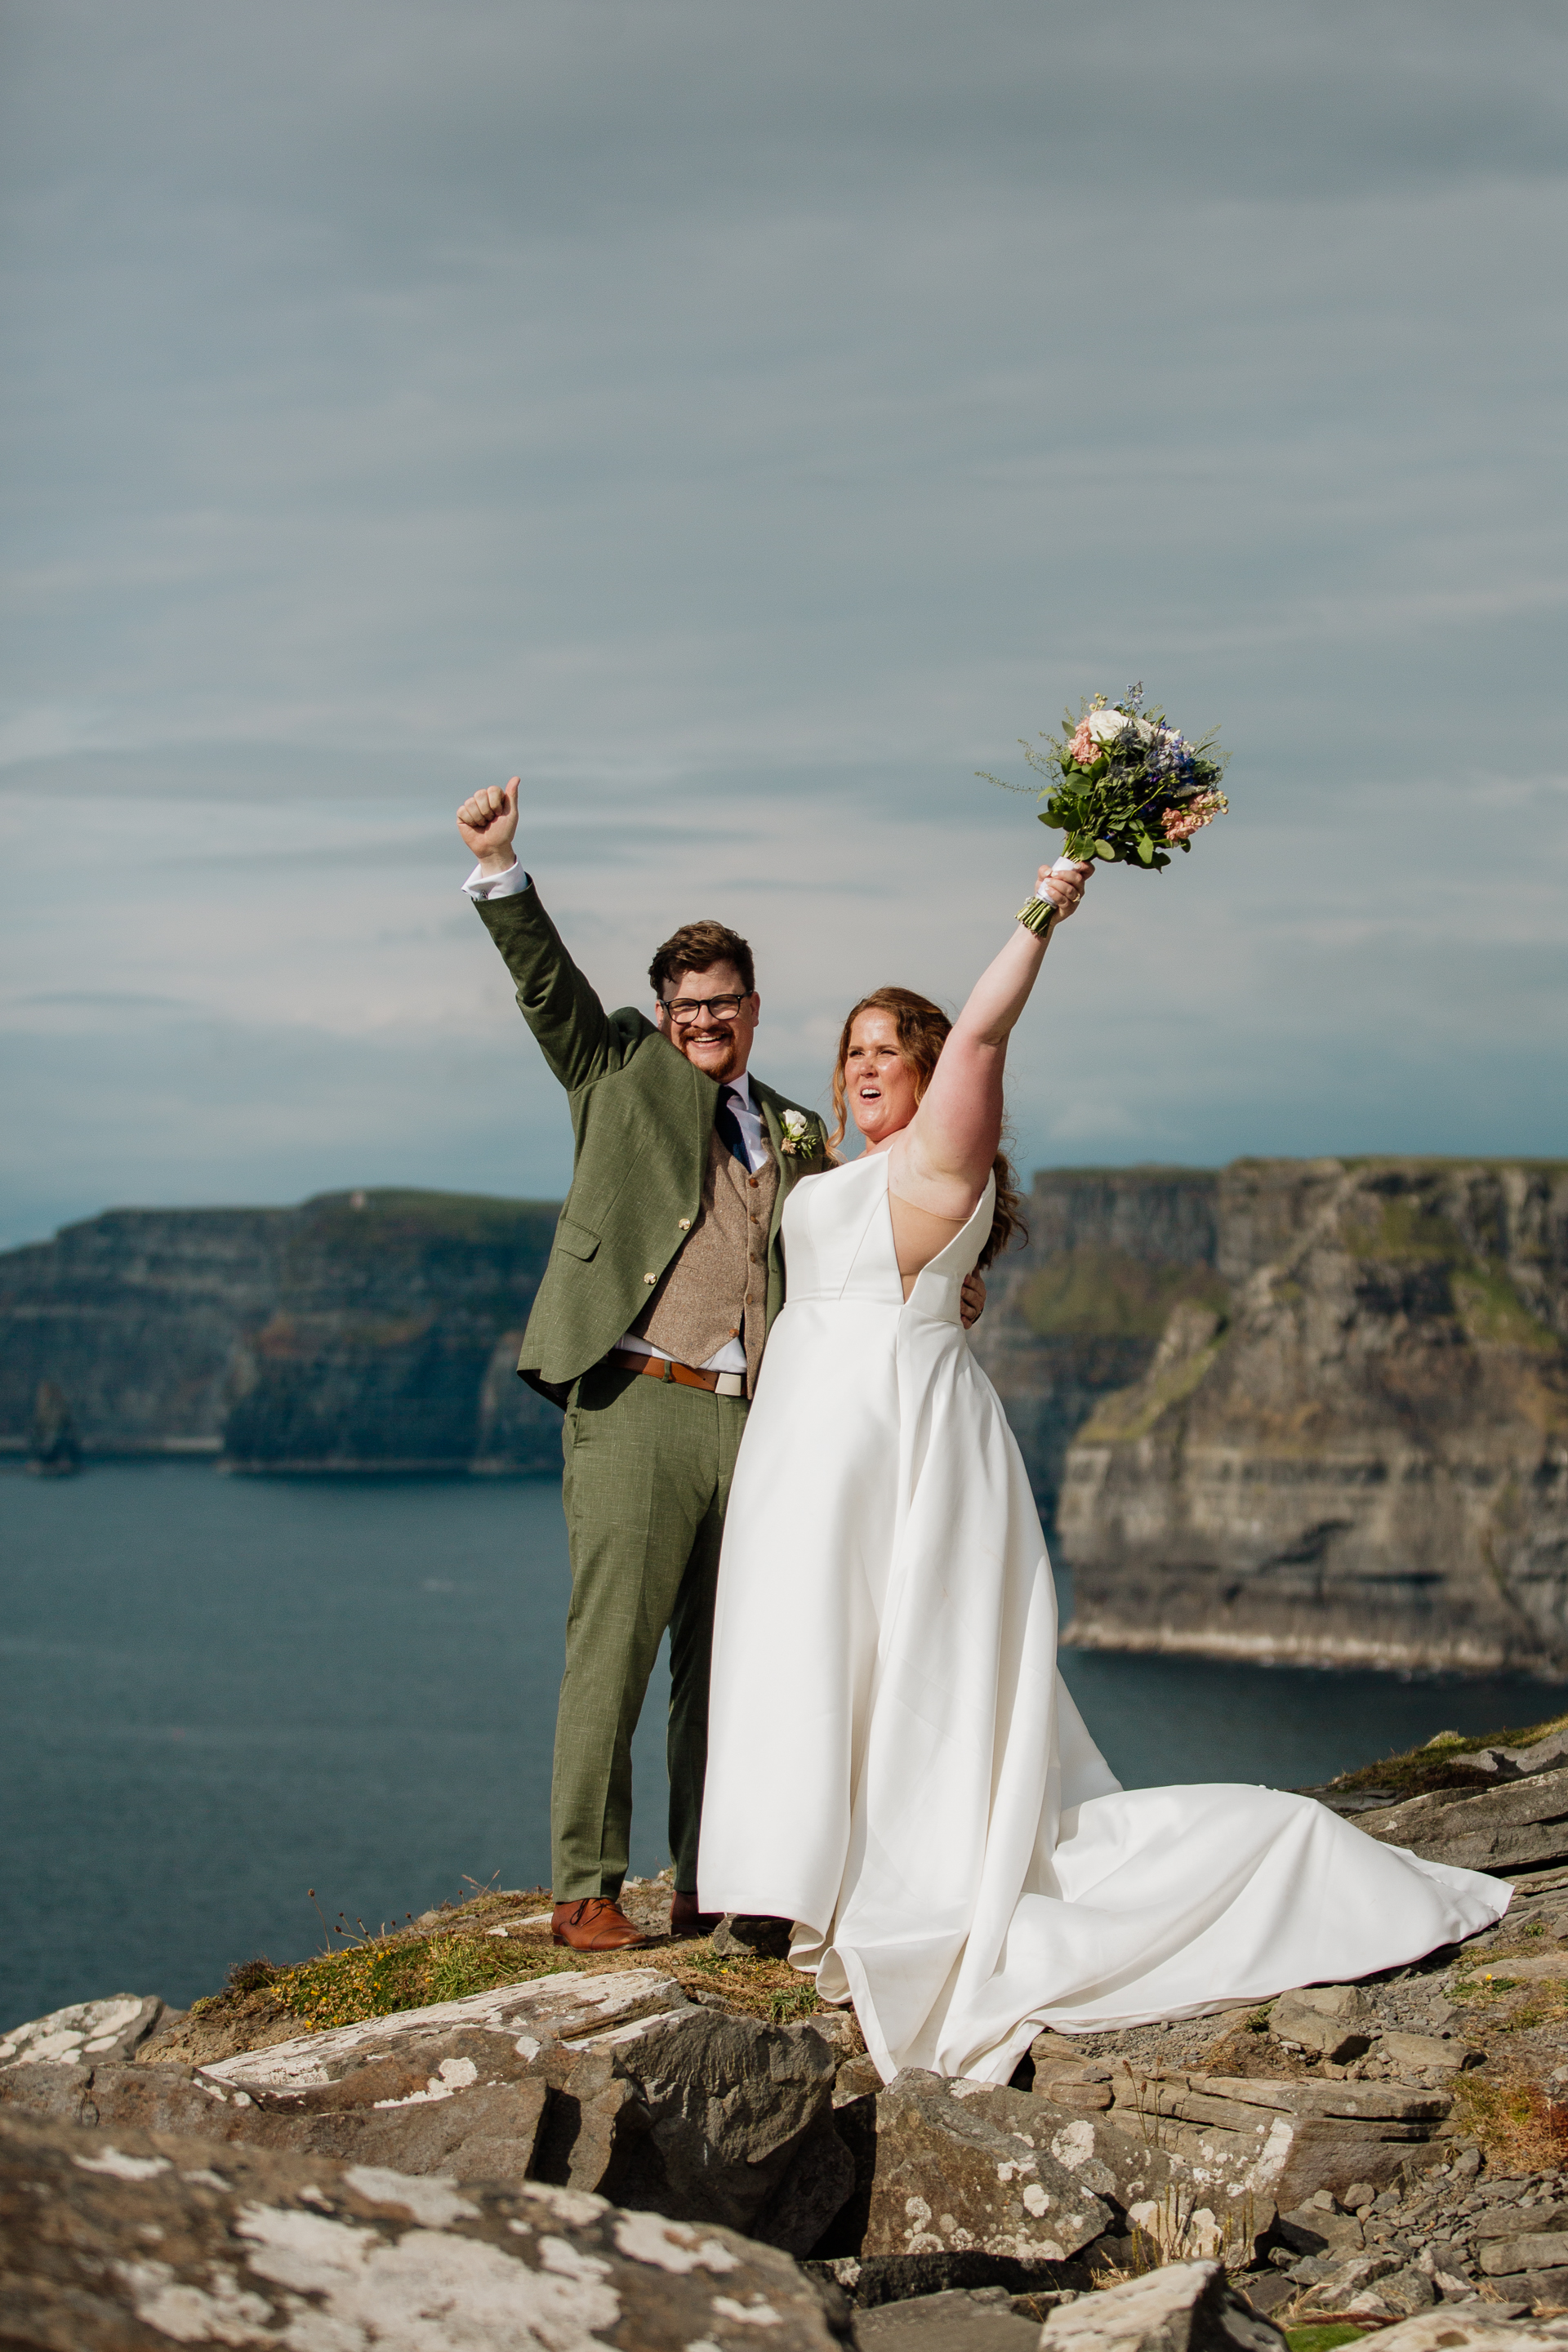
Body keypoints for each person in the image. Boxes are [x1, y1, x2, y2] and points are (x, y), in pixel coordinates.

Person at [697, 853, 1511, 2082]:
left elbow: (982, 1032)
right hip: (815, 1435)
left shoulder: (934, 1161)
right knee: (805, 1647)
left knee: (893, 1658)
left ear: (928, 1074)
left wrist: (1043, 910)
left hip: (890, 1436)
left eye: (889, 1051)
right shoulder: (845, 1174)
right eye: (852, 1050)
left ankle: (868, 1883)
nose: (865, 1066)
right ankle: (792, 1876)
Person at [454, 777, 986, 1953]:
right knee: (615, 1649)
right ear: (661, 1011)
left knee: (729, 1665)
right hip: (638, 1399)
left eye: (724, 1004)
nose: (705, 1023)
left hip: (759, 1422)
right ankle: (588, 1887)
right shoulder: (617, 1071)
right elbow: (549, 989)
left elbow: (867, 1225)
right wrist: (502, 871)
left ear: (753, 1008)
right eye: (686, 1006)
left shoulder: (798, 1128)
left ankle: (712, 1880)